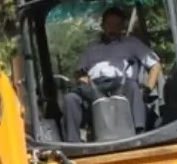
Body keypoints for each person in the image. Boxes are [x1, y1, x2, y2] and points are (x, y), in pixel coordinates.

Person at [61, 7, 162, 142]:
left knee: (133, 87)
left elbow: (155, 64)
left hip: (122, 84)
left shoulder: (131, 43)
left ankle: (139, 133)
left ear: (122, 27)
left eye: (117, 26)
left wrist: (148, 88)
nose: (113, 29)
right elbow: (78, 72)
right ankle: (72, 143)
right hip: (94, 87)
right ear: (103, 26)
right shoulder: (91, 48)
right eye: (110, 25)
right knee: (70, 98)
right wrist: (81, 78)